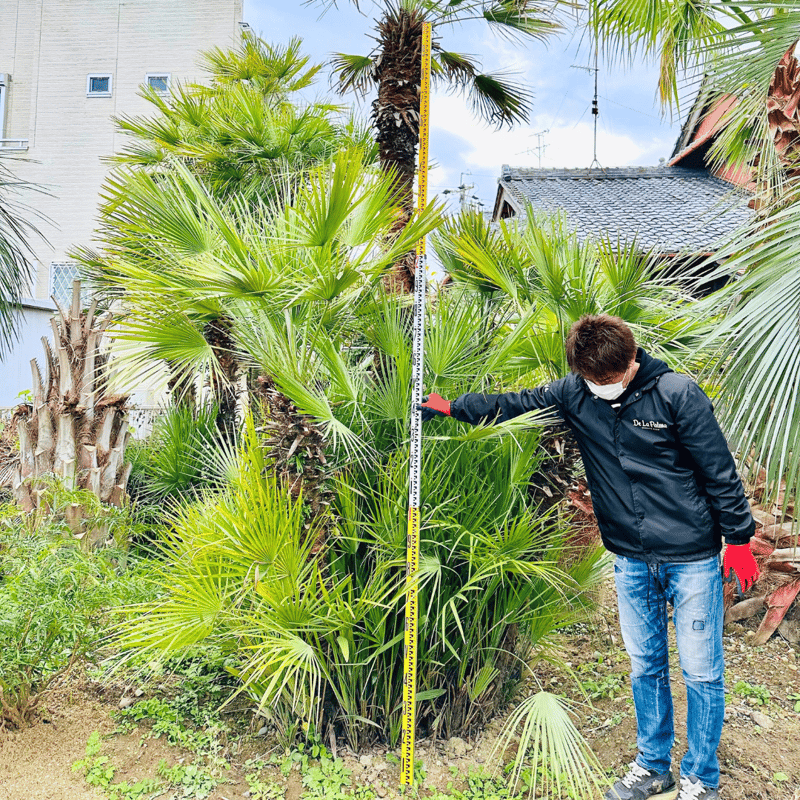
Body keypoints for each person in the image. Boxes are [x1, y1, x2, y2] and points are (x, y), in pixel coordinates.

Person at [420, 314, 759, 800]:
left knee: (701, 671)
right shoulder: (574, 393)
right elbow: (513, 404)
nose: (604, 388)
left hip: (691, 556)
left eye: (612, 379)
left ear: (631, 358)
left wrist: (740, 538)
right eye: (593, 380)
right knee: (645, 665)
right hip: (629, 556)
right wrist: (453, 407)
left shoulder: (677, 394)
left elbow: (719, 470)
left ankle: (700, 778)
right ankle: (653, 765)